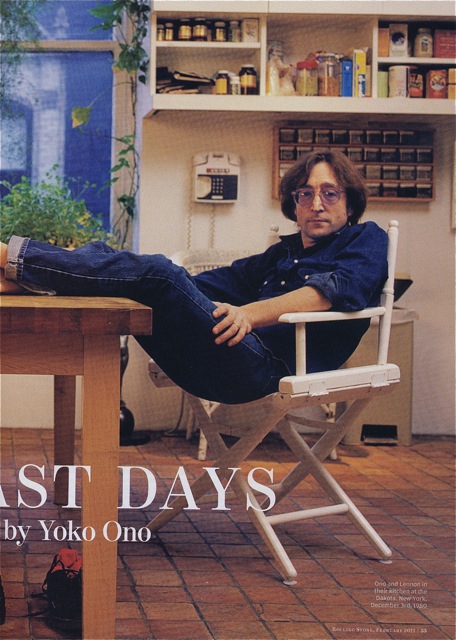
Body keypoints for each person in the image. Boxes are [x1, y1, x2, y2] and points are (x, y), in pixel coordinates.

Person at [0, 150, 388, 404]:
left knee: (159, 273)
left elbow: (330, 291)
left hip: (263, 369)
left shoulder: (366, 239)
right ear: (294, 205)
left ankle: (7, 256)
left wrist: (248, 314)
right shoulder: (281, 254)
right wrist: (162, 284)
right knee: (116, 259)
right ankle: (18, 281)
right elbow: (201, 284)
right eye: (305, 194)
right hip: (218, 360)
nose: (316, 204)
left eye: (330, 193)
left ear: (350, 202)